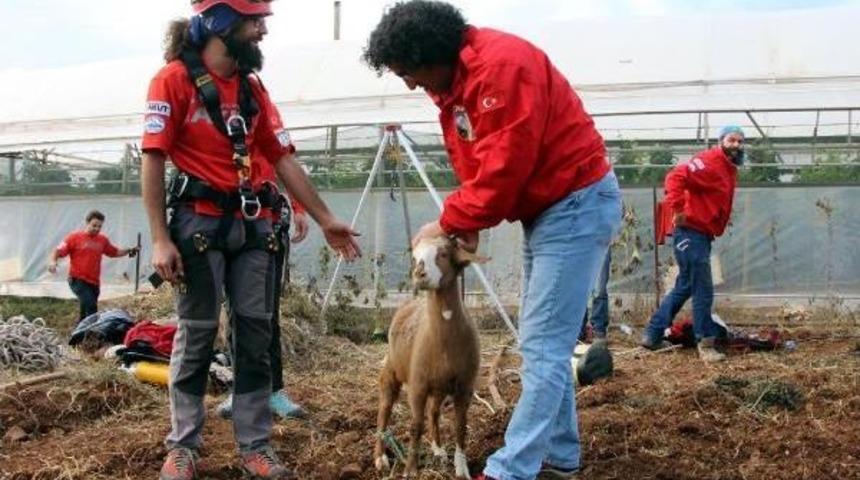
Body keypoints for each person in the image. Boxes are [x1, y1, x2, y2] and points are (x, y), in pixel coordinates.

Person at [363, 2, 623, 479]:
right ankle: (560, 455)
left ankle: (510, 470)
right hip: (550, 211)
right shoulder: (458, 84)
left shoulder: (500, 69)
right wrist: (468, 220)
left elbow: (503, 172)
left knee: (542, 345)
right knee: (545, 340)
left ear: (431, 52)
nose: (410, 84)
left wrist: (446, 222)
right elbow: (479, 161)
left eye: (410, 72)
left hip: (574, 205)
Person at [140, 1, 360, 479]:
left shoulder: (253, 90)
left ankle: (255, 447)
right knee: (197, 335)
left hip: (256, 228)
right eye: (254, 20)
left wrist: (324, 218)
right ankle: (183, 447)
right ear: (221, 23)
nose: (262, 31)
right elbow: (153, 159)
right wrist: (160, 238)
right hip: (198, 227)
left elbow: (281, 159)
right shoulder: (173, 81)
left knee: (256, 335)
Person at [641, 125, 745, 363]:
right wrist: (677, 209)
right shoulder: (710, 161)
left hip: (701, 234)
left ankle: (653, 334)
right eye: (732, 140)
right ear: (720, 141)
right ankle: (705, 342)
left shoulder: (728, 169)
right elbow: (676, 176)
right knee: (703, 288)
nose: (737, 145)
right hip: (691, 233)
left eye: (740, 142)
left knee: (684, 286)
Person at [48, 210, 138, 321]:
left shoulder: (102, 240)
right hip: (77, 279)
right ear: (87, 222)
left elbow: (114, 252)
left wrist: (129, 250)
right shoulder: (74, 238)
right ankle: (93, 332)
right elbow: (57, 251)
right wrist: (53, 262)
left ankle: (80, 331)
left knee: (86, 308)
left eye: (99, 226)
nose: (96, 228)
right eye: (94, 225)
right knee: (91, 306)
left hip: (94, 282)